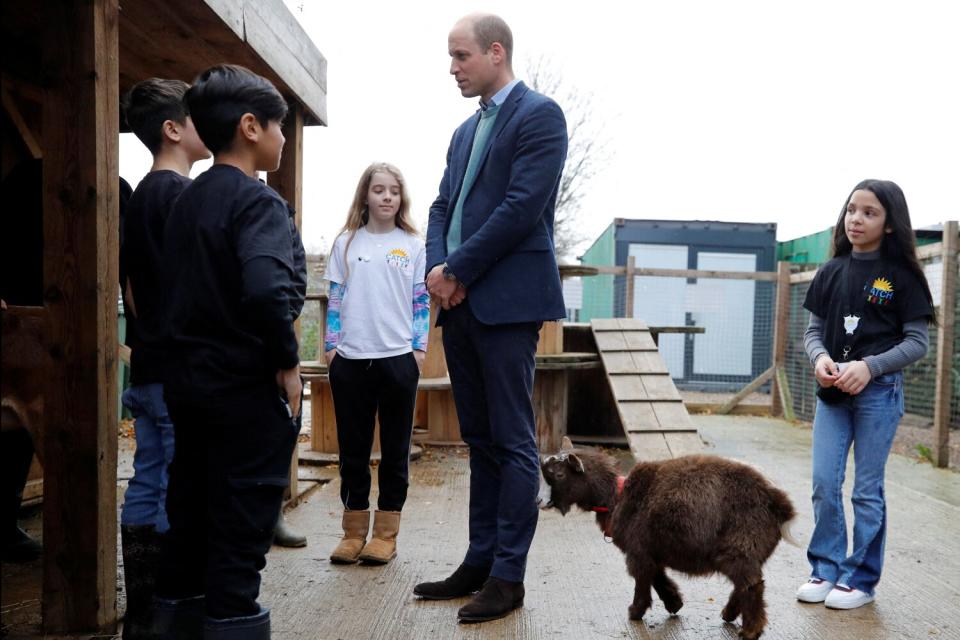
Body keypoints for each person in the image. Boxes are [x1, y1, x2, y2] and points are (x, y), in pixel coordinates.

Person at [413, 13, 568, 623]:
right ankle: (478, 560)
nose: (452, 68)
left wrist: (459, 270)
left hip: (505, 303)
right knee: (478, 440)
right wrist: (436, 269)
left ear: (495, 52)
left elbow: (522, 208)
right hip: (461, 303)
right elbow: (440, 205)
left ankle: (509, 576)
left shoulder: (540, 115)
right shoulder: (462, 131)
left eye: (460, 56)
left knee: (511, 440)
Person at [154, 64, 305, 640]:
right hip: (245, 391)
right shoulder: (259, 204)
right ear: (250, 127)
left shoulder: (184, 202)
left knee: (189, 518)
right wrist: (288, 363)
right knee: (242, 534)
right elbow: (267, 288)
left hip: (188, 388)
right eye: (278, 127)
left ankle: (170, 626)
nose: (284, 138)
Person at [796, 179, 934, 610]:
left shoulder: (904, 276)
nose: (856, 218)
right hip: (832, 396)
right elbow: (813, 331)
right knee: (823, 482)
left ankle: (860, 579)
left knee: (866, 491)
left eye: (869, 212)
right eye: (852, 209)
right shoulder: (831, 270)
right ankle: (826, 568)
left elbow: (918, 341)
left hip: (879, 395)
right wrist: (819, 359)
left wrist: (870, 367)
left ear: (890, 224)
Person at [119, 77, 210, 638]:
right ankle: (172, 608)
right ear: (173, 130)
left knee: (149, 478)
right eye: (198, 117)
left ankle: (143, 613)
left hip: (148, 364)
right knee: (180, 484)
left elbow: (132, 290)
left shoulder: (139, 198)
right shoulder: (179, 195)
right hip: (178, 372)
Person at [324, 162, 428, 565]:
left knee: (395, 451)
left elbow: (422, 302)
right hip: (350, 360)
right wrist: (332, 348)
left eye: (394, 191)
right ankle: (352, 532)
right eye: (379, 189)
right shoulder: (346, 244)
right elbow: (334, 298)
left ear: (401, 198)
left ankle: (385, 534)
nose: (387, 197)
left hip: (398, 359)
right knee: (352, 449)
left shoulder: (413, 246)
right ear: (365, 195)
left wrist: (418, 351)